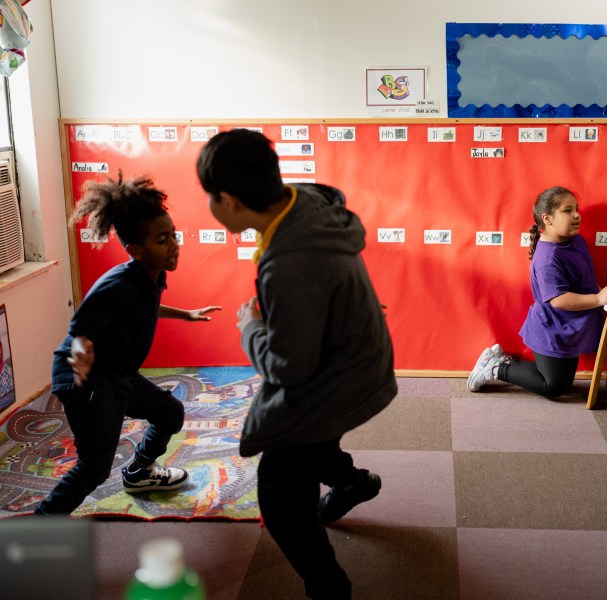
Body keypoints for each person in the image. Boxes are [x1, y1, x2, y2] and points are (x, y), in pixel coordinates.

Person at [196, 129, 397, 600]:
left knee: (281, 493)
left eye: (210, 197)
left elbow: (289, 370)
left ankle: (330, 590)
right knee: (309, 444)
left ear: (227, 200)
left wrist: (249, 326)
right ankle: (352, 484)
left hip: (339, 378)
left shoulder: (290, 261)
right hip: (356, 359)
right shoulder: (303, 201)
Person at [34, 174, 221, 516]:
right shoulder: (117, 283)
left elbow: (148, 306)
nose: (174, 245)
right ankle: (42, 525)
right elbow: (80, 328)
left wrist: (187, 315)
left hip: (116, 373)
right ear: (136, 250)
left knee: (169, 413)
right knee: (93, 467)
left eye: (174, 235)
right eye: (163, 240)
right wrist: (81, 358)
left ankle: (139, 472)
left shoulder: (152, 274)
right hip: (87, 380)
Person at [467, 186, 607, 398]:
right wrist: (598, 298)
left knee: (562, 382)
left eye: (577, 209)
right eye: (567, 211)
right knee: (554, 388)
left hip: (570, 327)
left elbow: (586, 275)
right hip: (552, 328)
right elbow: (558, 300)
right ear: (547, 219)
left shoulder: (577, 240)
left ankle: (504, 361)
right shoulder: (548, 259)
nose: (576, 215)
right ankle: (496, 368)